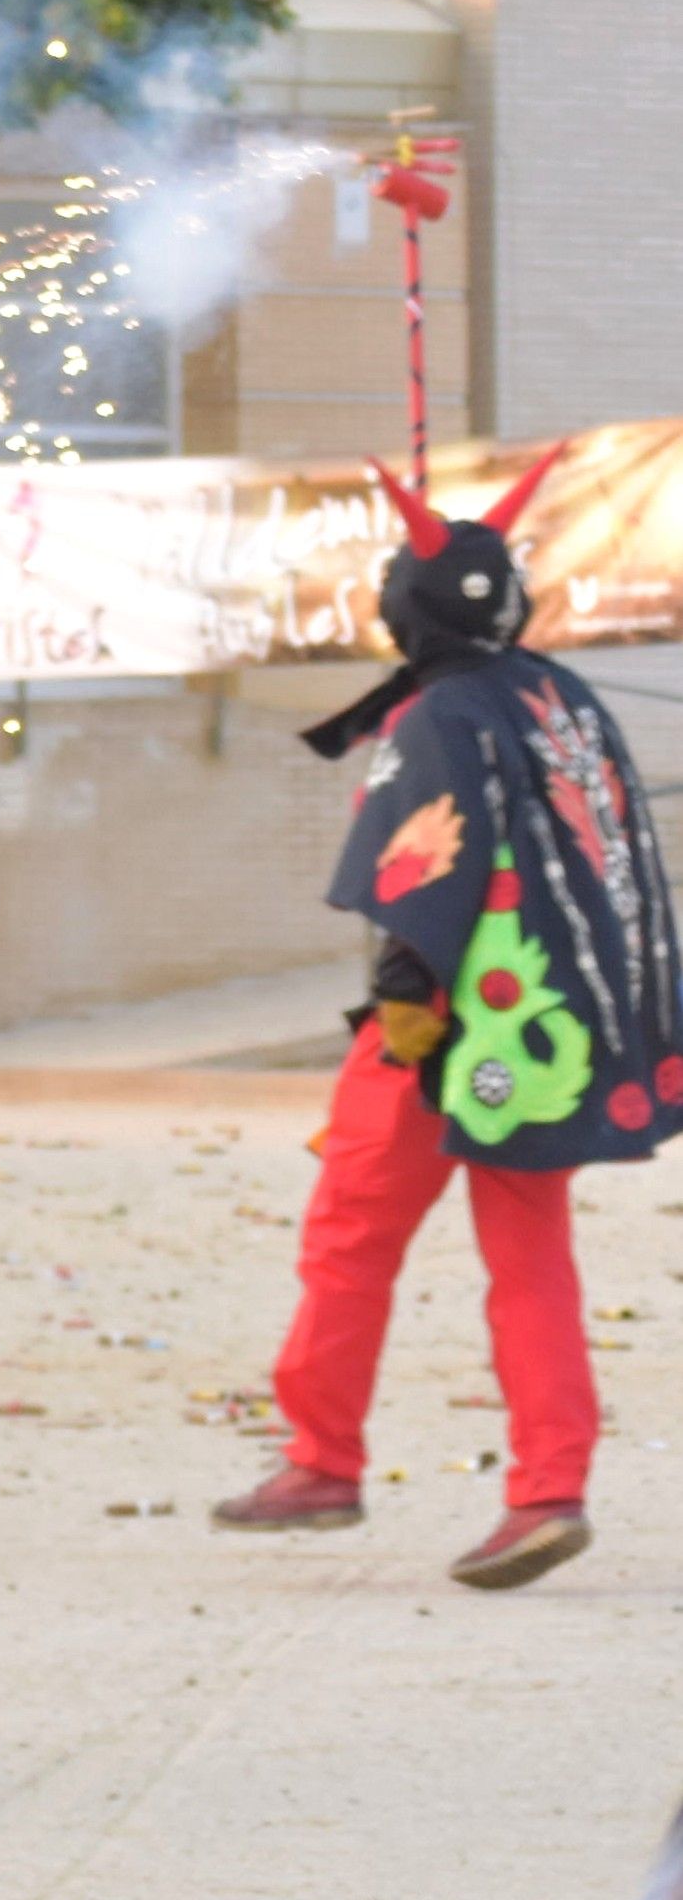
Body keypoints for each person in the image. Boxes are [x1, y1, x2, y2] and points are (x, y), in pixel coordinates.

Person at [218, 448, 682, 1593]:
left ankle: (321, 1459)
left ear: (404, 612)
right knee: (529, 1259)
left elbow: (425, 866)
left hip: (439, 1033)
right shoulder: (554, 693)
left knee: (347, 1240)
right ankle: (544, 1489)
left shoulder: (434, 717)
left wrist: (403, 997)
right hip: (545, 1040)